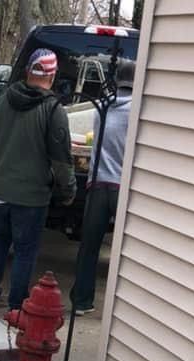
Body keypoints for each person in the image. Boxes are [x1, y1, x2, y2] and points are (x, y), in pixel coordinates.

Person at [0, 48, 76, 314]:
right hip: (30, 196)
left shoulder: (1, 99)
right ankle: (16, 304)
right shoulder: (53, 109)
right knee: (25, 250)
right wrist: (68, 191)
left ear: (27, 71)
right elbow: (61, 159)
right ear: (52, 76)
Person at [71, 58, 136, 314]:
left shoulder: (102, 108)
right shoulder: (138, 111)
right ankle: (120, 308)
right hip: (122, 188)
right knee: (123, 249)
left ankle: (81, 301)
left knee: (89, 246)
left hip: (98, 185)